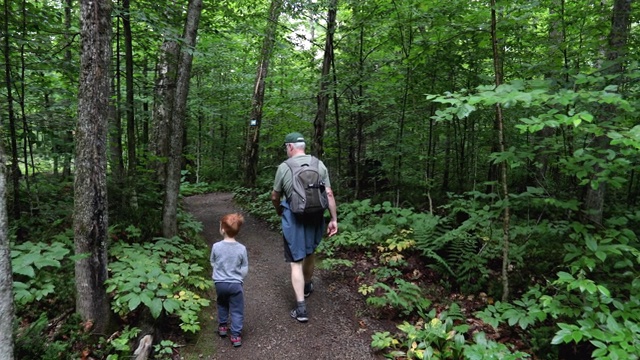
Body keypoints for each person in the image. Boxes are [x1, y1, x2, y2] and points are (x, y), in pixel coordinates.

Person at [271, 132, 338, 323]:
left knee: (295, 261)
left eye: (286, 147)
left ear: (291, 147)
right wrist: (333, 219)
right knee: (310, 253)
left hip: (294, 217)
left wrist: (279, 210)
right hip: (316, 215)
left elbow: (275, 196)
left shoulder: (284, 167)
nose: (286, 150)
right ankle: (307, 285)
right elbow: (329, 193)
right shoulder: (319, 164)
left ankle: (301, 309)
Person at [210, 213, 248, 347]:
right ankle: (236, 336)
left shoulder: (216, 246)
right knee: (237, 309)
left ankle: (222, 327)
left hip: (220, 283)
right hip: (235, 284)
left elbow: (213, 262)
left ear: (222, 229)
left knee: (222, 303)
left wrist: (219, 273)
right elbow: (244, 267)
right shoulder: (242, 249)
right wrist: (239, 278)